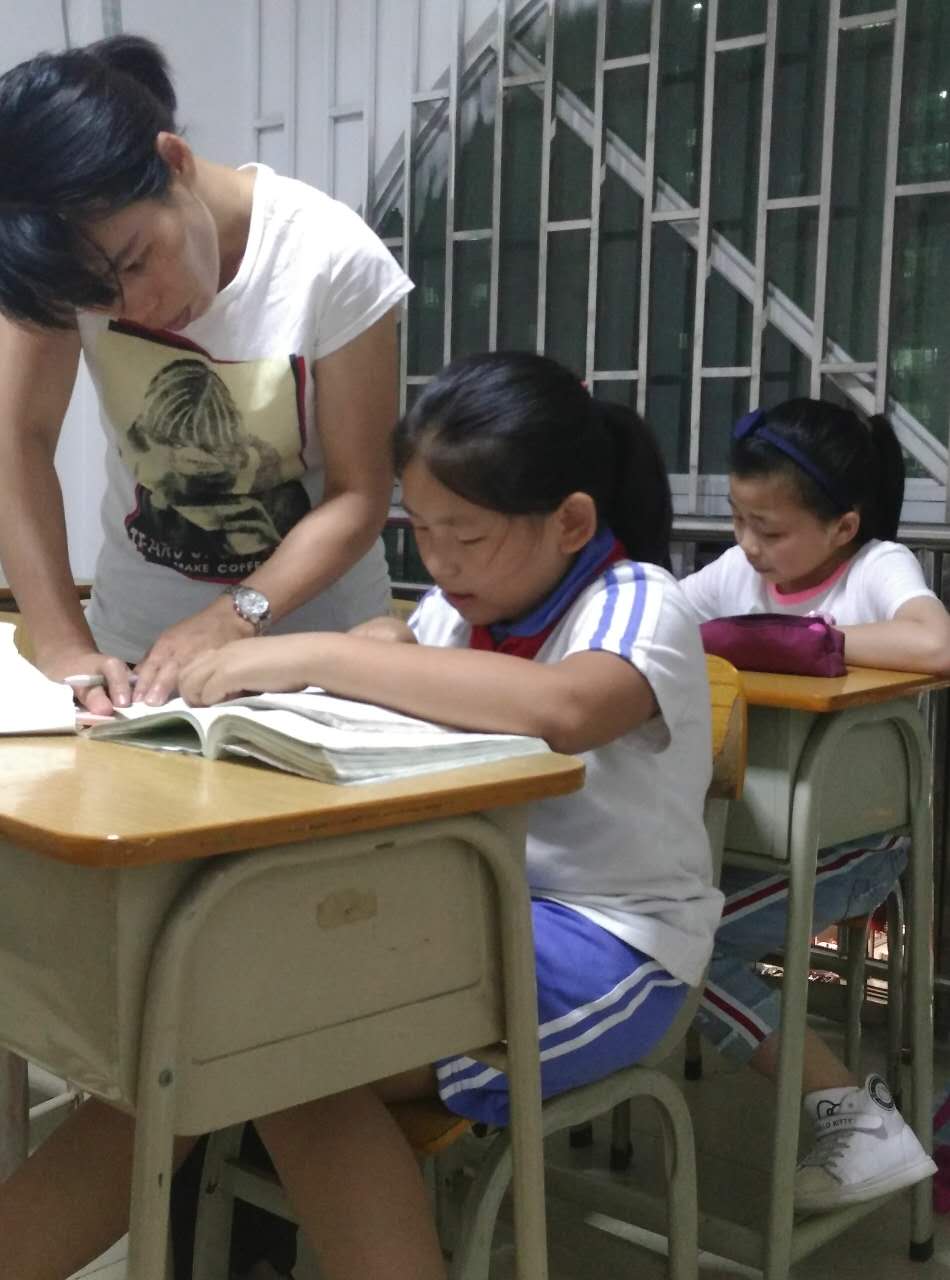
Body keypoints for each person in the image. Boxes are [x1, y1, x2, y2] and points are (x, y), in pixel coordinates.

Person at [0, 353, 721, 1280]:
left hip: (614, 948)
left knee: (274, 1047)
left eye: (466, 535)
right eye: (421, 532)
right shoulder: (461, 615)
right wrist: (373, 641)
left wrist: (320, 656)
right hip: (461, 912)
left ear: (572, 521)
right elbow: (410, 654)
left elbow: (566, 709)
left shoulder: (636, 603)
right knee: (214, 1033)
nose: (440, 562)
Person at [0, 33, 411, 717]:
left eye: (137, 262)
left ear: (175, 161)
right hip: (133, 662)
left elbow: (358, 495)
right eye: (100, 301)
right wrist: (63, 646)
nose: (140, 307)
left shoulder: (328, 259)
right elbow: (17, 438)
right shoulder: (60, 262)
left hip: (319, 669)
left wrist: (235, 615)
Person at [679, 397, 946, 1213]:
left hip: (858, 849)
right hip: (751, 836)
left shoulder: (877, 568)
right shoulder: (742, 571)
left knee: (678, 940)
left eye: (771, 528)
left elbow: (935, 644)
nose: (749, 547)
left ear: (841, 527)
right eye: (739, 521)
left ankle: (856, 1116)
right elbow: (661, 623)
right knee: (648, 915)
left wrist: (806, 642)